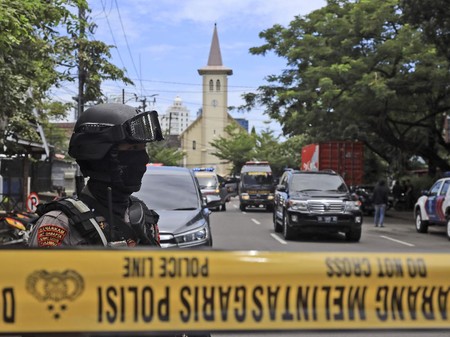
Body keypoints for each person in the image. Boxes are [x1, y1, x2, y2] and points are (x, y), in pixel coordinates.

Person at [28, 103, 164, 247]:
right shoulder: (59, 224)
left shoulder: (144, 216)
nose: (143, 158)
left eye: (143, 148)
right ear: (99, 155)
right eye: (132, 148)